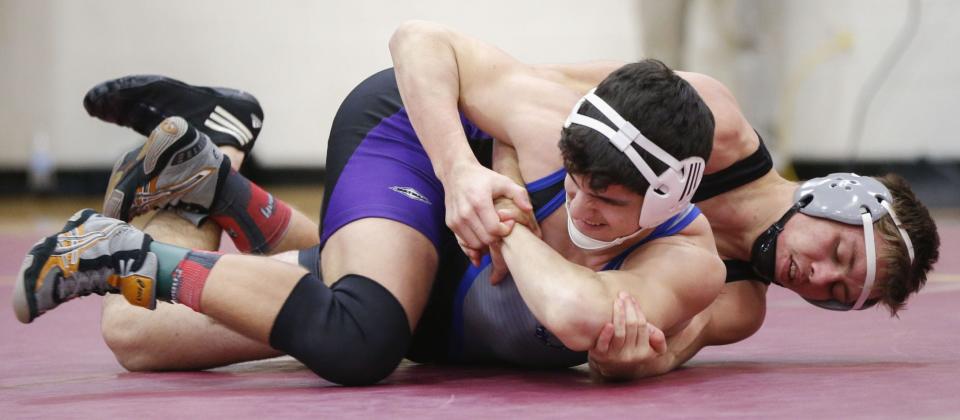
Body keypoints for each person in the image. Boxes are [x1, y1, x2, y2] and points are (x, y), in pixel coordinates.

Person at [13, 31, 723, 383]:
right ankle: (109, 253)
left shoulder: (689, 262)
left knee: (136, 339)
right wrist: (463, 173)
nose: (579, 201)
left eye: (608, 198)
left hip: (441, 277)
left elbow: (573, 313)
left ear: (668, 197)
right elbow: (417, 38)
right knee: (363, 333)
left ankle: (206, 176)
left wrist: (502, 225)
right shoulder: (539, 127)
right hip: (409, 144)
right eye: (573, 177)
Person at [386, 21, 939, 376]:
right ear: (833, 196)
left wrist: (625, 362)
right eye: (839, 255)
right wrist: (500, 180)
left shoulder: (740, 304)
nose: (816, 278)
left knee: (369, 318)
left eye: (837, 293)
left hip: (498, 269)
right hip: (455, 165)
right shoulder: (715, 125)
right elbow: (533, 92)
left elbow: (655, 353)